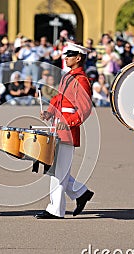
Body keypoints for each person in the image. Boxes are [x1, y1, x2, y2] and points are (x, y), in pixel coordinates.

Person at [35, 43, 94, 219]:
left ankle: (56, 209)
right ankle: (81, 193)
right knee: (55, 169)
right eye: (66, 54)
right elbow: (58, 98)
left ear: (79, 58)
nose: (66, 57)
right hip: (58, 125)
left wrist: (67, 123)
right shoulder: (68, 76)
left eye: (70, 55)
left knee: (58, 171)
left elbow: (84, 109)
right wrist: (49, 112)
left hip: (67, 129)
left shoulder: (81, 80)